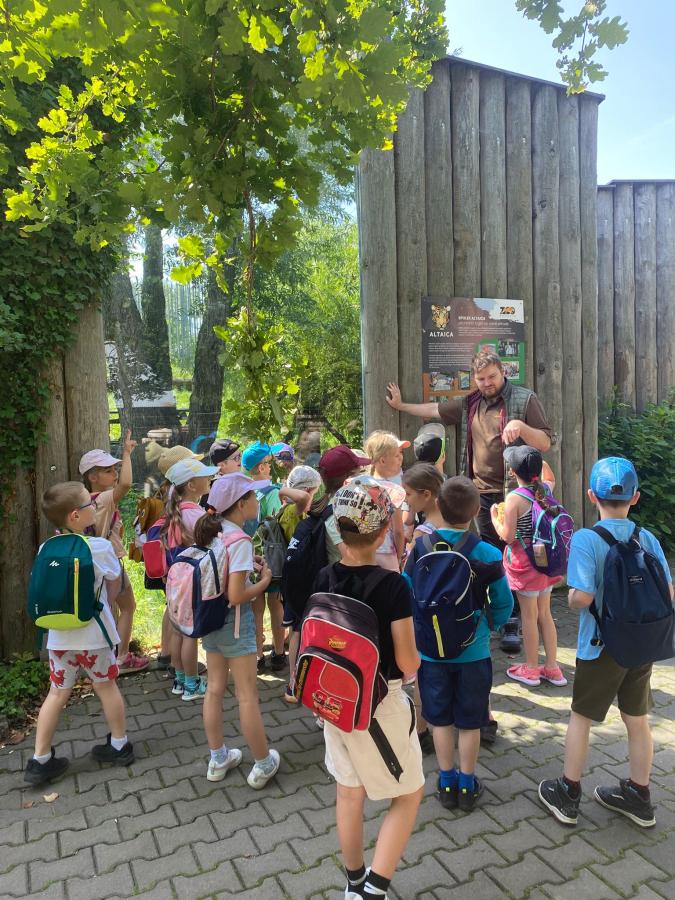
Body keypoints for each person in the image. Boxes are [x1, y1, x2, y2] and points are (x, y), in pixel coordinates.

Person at [387, 348, 551, 661]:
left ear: (503, 372)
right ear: (474, 379)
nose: (487, 383)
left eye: (492, 377)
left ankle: (514, 620)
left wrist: (522, 427)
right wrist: (401, 406)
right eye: (481, 378)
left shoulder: (525, 399)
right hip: (480, 494)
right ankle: (497, 616)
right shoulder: (470, 402)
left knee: (516, 553)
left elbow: (545, 441)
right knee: (491, 555)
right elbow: (435, 409)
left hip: (515, 493)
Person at [539, 458, 673, 829]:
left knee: (581, 717)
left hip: (600, 646)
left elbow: (581, 598)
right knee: (637, 719)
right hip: (640, 644)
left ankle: (568, 793)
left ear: (591, 495)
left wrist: (572, 597)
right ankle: (640, 796)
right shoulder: (647, 538)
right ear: (636, 497)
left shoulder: (587, 539)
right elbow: (668, 592)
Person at [314, 478, 424, 900]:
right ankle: (373, 891)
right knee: (409, 793)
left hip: (334, 703)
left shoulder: (325, 577)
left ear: (338, 530)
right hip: (380, 707)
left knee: (348, 792)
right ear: (382, 534)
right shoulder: (394, 586)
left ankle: (355, 881)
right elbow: (408, 662)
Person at [404, 476, 513, 813]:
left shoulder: (420, 548)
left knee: (440, 720)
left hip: (430, 653)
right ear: (477, 510)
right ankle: (467, 783)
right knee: (470, 720)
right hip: (473, 652)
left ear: (437, 504)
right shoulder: (486, 552)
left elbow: (406, 592)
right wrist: (492, 624)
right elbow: (504, 602)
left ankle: (446, 781)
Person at [24, 482, 133, 785]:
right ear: (75, 515)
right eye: (90, 504)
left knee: (57, 693)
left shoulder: (46, 548)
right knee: (106, 687)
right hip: (94, 638)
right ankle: (119, 745)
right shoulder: (98, 547)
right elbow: (114, 583)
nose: (95, 507)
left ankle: (40, 760)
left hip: (58, 639)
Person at [198, 473, 281, 789]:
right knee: (247, 696)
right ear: (240, 504)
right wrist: (264, 581)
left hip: (211, 622)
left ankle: (218, 758)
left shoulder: (214, 532)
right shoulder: (241, 540)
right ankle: (263, 763)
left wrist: (249, 565)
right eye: (252, 497)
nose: (256, 501)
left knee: (214, 689)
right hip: (236, 624)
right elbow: (236, 595)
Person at [490, 445, 567, 688]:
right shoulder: (544, 490)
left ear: (513, 472)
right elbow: (550, 476)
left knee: (529, 617)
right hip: (546, 564)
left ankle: (532, 668)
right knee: (545, 614)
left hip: (526, 566)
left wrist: (494, 517)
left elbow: (508, 537)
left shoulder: (514, 498)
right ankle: (552, 668)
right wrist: (539, 462)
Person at [79, 433, 150, 674]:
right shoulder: (104, 499)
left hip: (92, 563)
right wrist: (127, 454)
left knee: (106, 609)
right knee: (127, 607)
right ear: (93, 477)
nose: (115, 474)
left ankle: (102, 659)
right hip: (109, 563)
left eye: (114, 469)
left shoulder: (85, 501)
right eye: (108, 471)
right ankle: (120, 658)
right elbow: (126, 485)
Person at [241, 440, 312, 673]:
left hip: (250, 556)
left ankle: (257, 655)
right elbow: (278, 522)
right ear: (261, 467)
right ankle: (279, 653)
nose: (272, 467)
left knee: (255, 609)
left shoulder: (244, 492)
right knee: (276, 606)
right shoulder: (272, 492)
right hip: (273, 559)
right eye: (269, 462)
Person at [162, 457, 219, 699]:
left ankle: (180, 679)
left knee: (178, 631)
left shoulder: (175, 511)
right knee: (189, 634)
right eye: (205, 476)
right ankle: (192, 684)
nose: (210, 479)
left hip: (175, 580)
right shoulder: (195, 514)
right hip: (191, 582)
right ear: (191, 485)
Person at [276, 464, 323, 703]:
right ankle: (296, 682)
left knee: (296, 629)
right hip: (300, 579)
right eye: (315, 491)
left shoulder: (288, 511)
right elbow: (303, 499)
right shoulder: (293, 511)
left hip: (294, 577)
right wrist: (283, 490)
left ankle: (297, 680)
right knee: (297, 630)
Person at [362, 431, 409, 571]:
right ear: (382, 461)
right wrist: (399, 557)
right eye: (396, 455)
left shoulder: (362, 484)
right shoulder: (392, 490)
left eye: (401, 453)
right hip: (386, 553)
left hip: (362, 552)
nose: (401, 458)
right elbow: (398, 531)